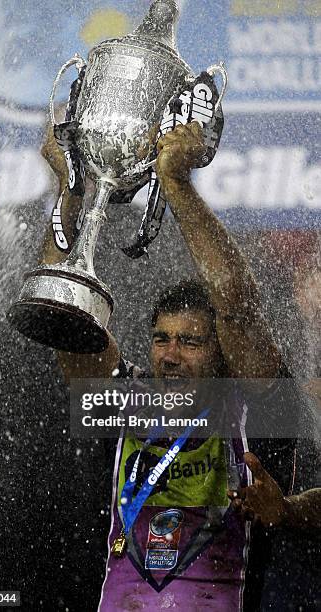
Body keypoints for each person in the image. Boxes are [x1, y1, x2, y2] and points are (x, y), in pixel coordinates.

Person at [41, 121, 319, 611]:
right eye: (161, 339)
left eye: (191, 341)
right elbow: (63, 314)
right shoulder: (126, 406)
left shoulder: (261, 408)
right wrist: (70, 189)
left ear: (222, 353)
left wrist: (178, 186)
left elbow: (234, 299)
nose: (171, 354)